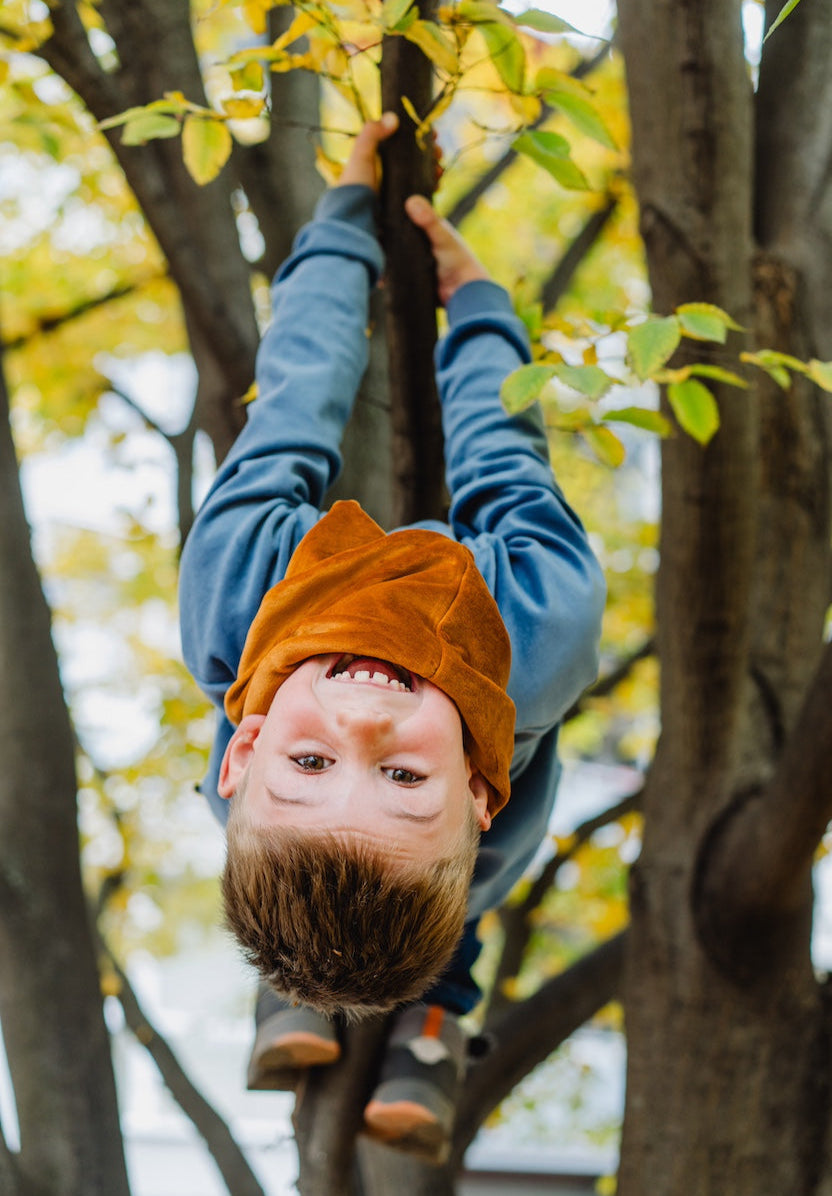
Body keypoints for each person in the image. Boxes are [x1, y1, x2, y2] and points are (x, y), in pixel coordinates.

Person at [179, 112, 606, 1162]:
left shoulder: (237, 590)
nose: (365, 713)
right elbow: (506, 460)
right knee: (449, 906)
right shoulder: (537, 624)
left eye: (312, 757)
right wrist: (479, 310)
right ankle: (424, 1011)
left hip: (276, 709)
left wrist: (340, 226)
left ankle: (309, 982)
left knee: (355, 885)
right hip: (474, 822)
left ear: (245, 758)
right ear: (472, 784)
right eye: (402, 772)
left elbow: (296, 396)